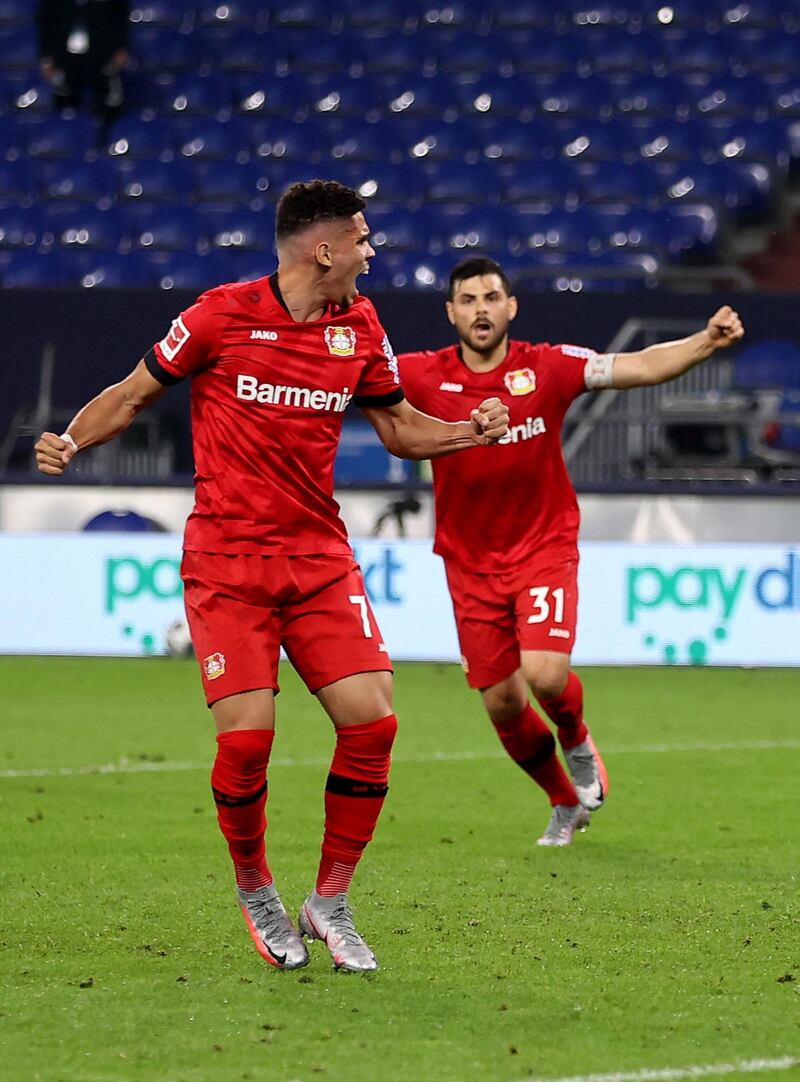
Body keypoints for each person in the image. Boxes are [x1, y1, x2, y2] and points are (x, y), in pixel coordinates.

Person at [35, 182, 509, 973]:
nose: (371, 251)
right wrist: (73, 442)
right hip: (227, 563)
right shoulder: (221, 316)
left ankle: (330, 899)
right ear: (322, 249)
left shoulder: (360, 325)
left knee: (373, 721)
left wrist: (467, 430)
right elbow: (133, 391)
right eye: (360, 239)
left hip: (317, 559)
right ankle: (255, 885)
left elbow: (397, 428)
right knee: (249, 740)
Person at [397, 256, 745, 847]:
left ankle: (577, 738)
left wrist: (703, 342)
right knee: (504, 703)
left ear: (512, 307)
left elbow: (635, 365)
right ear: (450, 311)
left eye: (491, 297)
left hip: (542, 547)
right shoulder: (420, 374)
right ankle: (563, 800)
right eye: (468, 299)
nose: (481, 309)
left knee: (545, 673)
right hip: (467, 561)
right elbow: (346, 380)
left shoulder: (548, 366)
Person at [36, 0, 129, 129]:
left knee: (110, 106)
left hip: (102, 57)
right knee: (64, 107)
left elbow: (120, 17)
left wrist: (121, 47)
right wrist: (46, 56)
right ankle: (69, 140)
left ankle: (104, 140)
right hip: (65, 59)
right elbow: (46, 21)